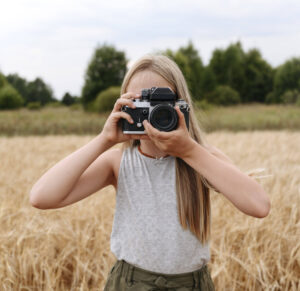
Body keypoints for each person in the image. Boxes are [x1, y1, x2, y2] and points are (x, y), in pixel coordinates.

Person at [30, 54, 271, 291]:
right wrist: (105, 139)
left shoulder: (201, 158)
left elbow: (259, 206)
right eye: (140, 104)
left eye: (161, 105)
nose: (153, 114)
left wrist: (189, 150)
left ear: (181, 106)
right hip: (130, 283)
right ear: (125, 106)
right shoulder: (117, 162)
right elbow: (42, 197)